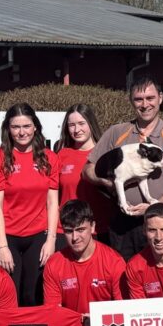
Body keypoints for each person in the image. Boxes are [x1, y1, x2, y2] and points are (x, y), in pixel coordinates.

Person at [85, 76, 163, 261]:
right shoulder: (116, 132)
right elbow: (87, 170)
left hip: (159, 224)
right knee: (124, 281)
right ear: (131, 101)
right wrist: (107, 182)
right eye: (138, 99)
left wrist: (155, 205)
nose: (145, 104)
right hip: (122, 225)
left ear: (160, 98)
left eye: (150, 98)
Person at [0, 103, 60, 306]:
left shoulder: (49, 158)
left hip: (38, 236)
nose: (22, 132)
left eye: (26, 126)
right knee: (9, 297)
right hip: (8, 236)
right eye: (16, 127)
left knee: (33, 297)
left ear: (35, 126)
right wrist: (2, 247)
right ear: (8, 129)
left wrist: (51, 240)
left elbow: (52, 202)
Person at [43, 199, 126, 326]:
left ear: (93, 227)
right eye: (69, 231)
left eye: (81, 230)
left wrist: (98, 320)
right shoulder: (54, 263)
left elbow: (122, 310)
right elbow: (53, 312)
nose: (75, 238)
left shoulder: (114, 262)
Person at [53, 104, 113, 246]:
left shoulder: (106, 154)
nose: (77, 130)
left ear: (91, 124)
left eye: (81, 123)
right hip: (67, 232)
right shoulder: (61, 155)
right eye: (72, 125)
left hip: (101, 231)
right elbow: (53, 197)